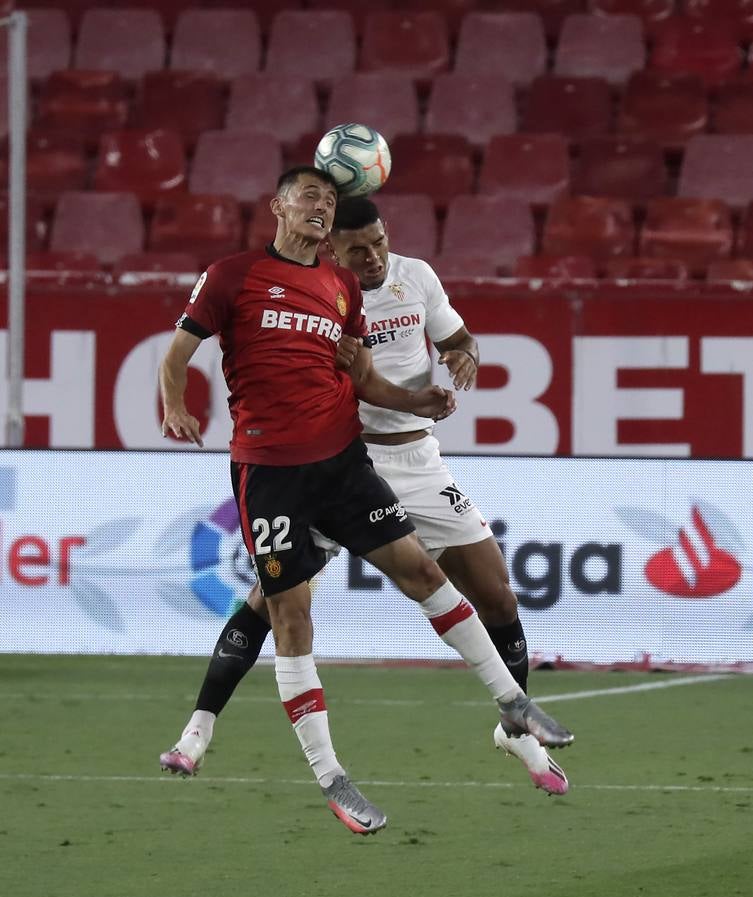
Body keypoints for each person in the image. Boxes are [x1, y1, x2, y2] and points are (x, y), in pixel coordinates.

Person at [159, 169, 573, 835]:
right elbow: (178, 353)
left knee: (457, 581)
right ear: (282, 211)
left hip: (375, 462)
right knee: (281, 612)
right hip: (282, 470)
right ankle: (261, 752)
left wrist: (432, 389)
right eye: (311, 200)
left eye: (373, 238)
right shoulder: (234, 275)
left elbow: (373, 375)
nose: (370, 252)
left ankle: (514, 713)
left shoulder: (358, 287)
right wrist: (175, 404)